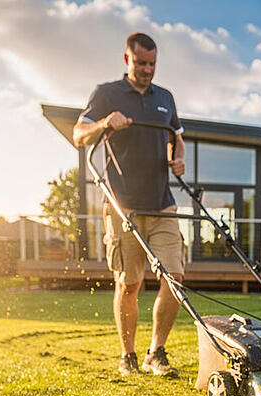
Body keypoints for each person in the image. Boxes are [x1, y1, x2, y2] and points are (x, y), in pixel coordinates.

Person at [73, 32, 186, 377]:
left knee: (175, 277)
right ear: (127, 60)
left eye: (152, 64)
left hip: (162, 206)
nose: (147, 69)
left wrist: (177, 159)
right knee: (129, 284)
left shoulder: (165, 97)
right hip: (124, 208)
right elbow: (79, 134)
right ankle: (128, 356)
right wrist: (106, 122)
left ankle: (157, 351)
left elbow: (176, 139)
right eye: (140, 63)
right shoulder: (106, 93)